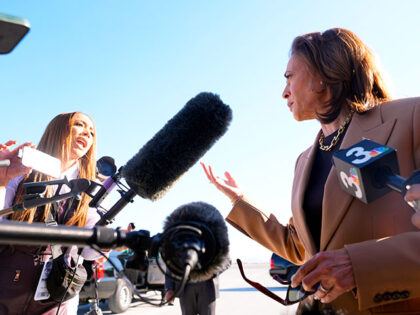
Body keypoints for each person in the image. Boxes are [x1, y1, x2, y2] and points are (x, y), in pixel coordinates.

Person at [202, 28, 420, 314]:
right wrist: (240, 200)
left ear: (324, 73)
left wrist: (361, 266)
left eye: (289, 77)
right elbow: (299, 246)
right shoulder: (304, 160)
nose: (284, 92)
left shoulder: (410, 118)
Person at [0, 112, 101, 314]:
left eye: (91, 132)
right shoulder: (22, 172)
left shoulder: (89, 189)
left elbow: (89, 253)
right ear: (58, 129)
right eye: (79, 125)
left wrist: (105, 240)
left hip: (55, 294)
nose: (86, 134)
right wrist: (2, 180)